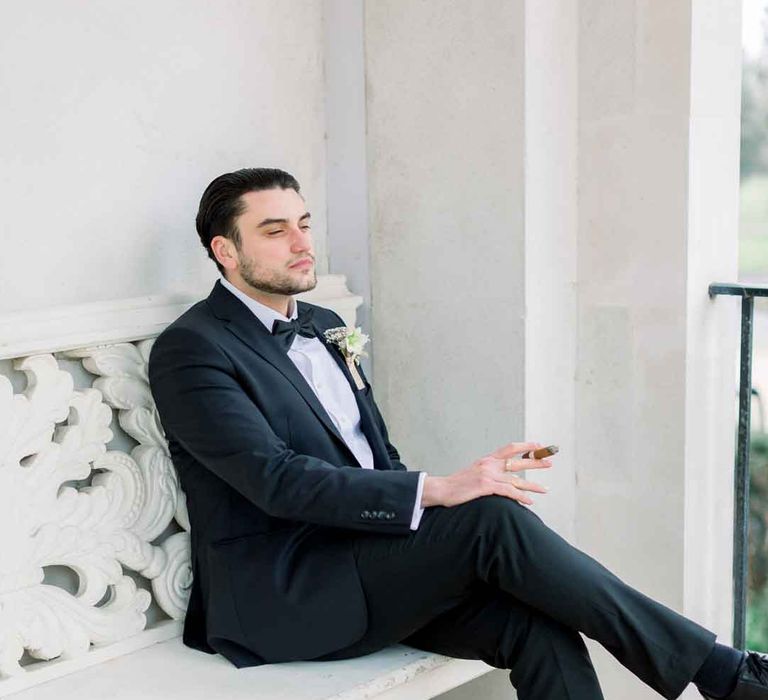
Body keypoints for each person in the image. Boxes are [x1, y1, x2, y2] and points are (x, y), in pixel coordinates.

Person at [147, 167, 768, 700]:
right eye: (274, 231)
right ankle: (723, 673)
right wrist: (439, 492)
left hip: (368, 563)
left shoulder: (322, 323)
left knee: (541, 622)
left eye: (304, 224)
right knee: (488, 518)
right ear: (225, 251)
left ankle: (723, 675)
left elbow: (373, 458)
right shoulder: (194, 349)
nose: (301, 243)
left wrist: (451, 490)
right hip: (285, 594)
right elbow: (274, 481)